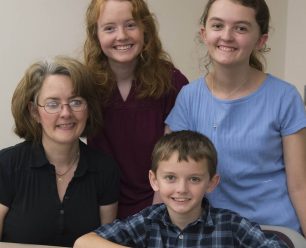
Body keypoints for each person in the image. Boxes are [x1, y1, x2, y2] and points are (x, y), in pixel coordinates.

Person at [165, 0, 306, 236]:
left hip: (273, 231)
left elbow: (300, 186)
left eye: (241, 28)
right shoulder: (189, 98)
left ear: (261, 40)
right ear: (204, 33)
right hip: (210, 231)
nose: (227, 36)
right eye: (218, 25)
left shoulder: (285, 97)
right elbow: (168, 172)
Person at [73, 130, 288, 248]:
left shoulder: (231, 226)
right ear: (154, 180)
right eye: (170, 178)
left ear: (212, 182)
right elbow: (83, 242)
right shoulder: (148, 222)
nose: (181, 189)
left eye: (194, 179)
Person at [84, 0, 189, 219]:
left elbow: (177, 157)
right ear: (96, 34)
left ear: (145, 29)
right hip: (100, 203)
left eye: (130, 25)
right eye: (109, 28)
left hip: (159, 204)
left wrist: (155, 215)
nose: (121, 35)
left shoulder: (172, 83)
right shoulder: (85, 84)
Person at [0, 56, 120, 247]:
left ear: (88, 108)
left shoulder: (105, 169)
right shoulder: (6, 165)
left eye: (76, 102)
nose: (66, 113)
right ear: (33, 112)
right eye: (52, 104)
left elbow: (105, 243)